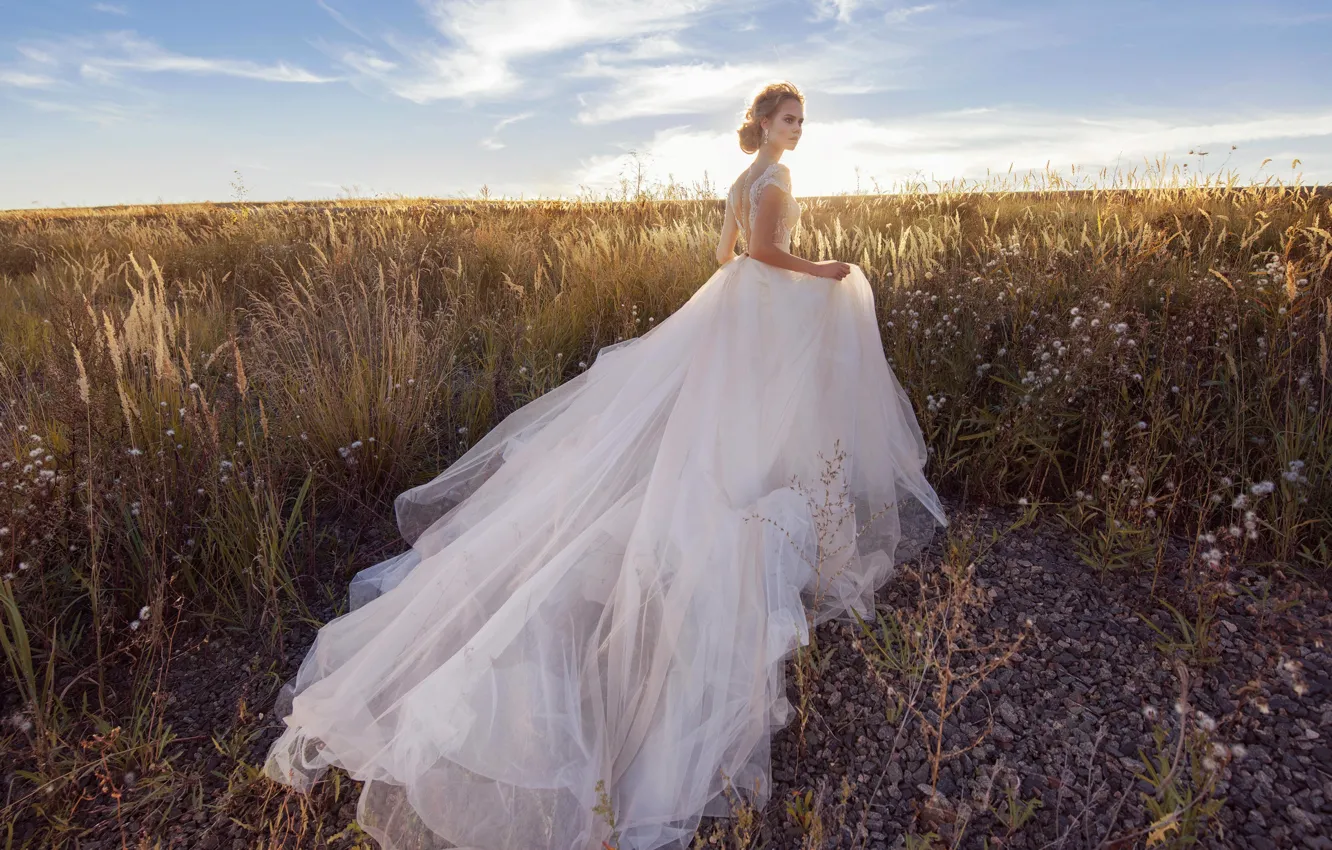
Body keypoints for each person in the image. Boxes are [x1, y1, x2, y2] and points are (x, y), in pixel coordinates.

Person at [263, 80, 949, 850]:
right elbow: (760, 253)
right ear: (763, 121)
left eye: (801, 120)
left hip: (733, 306)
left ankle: (726, 491)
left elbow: (724, 257)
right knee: (754, 416)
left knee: (719, 421)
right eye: (789, 118)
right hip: (755, 308)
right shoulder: (778, 177)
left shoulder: (742, 178)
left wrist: (763, 283)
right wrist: (823, 271)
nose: (799, 129)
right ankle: (735, 504)